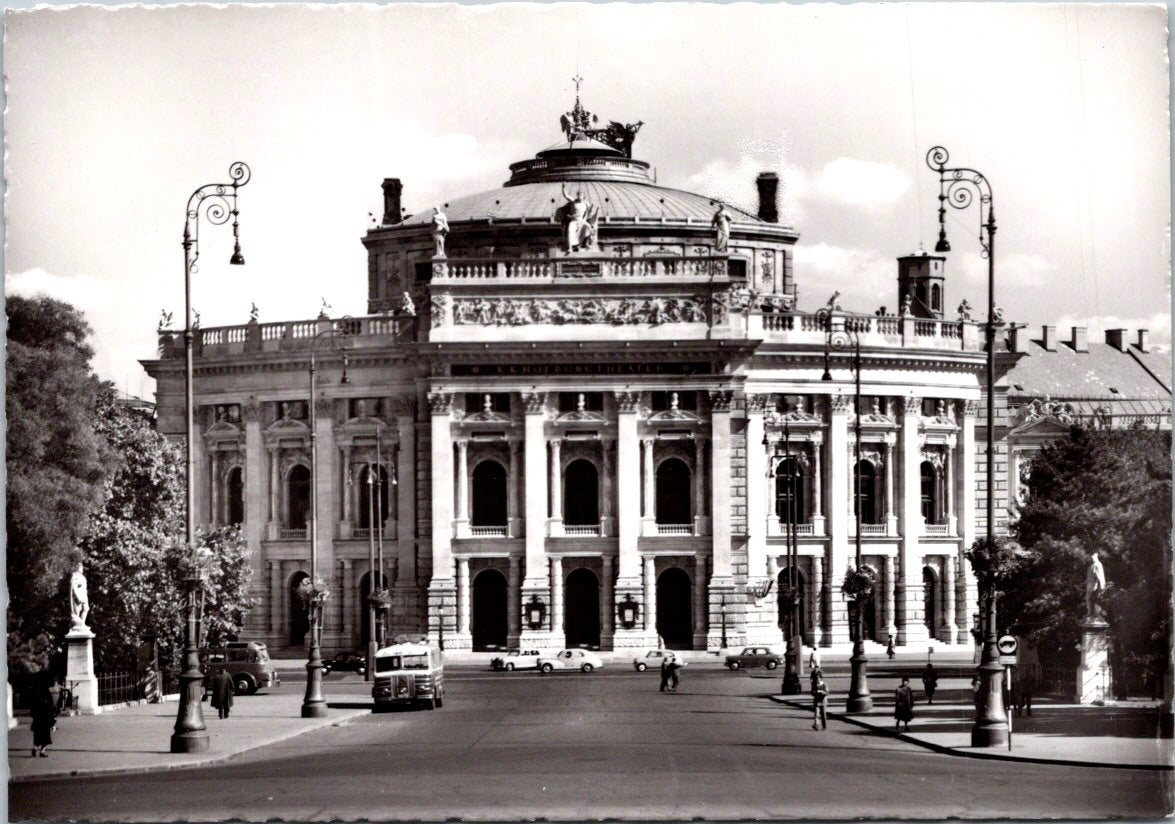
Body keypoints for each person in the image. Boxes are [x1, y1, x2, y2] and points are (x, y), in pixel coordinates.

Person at [29, 674, 60, 757]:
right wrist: (53, 720)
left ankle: (35, 748)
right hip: (45, 719)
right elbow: (50, 707)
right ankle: (42, 752)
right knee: (46, 737)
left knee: (37, 736)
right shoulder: (47, 693)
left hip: (37, 719)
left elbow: (32, 707)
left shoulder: (36, 692)